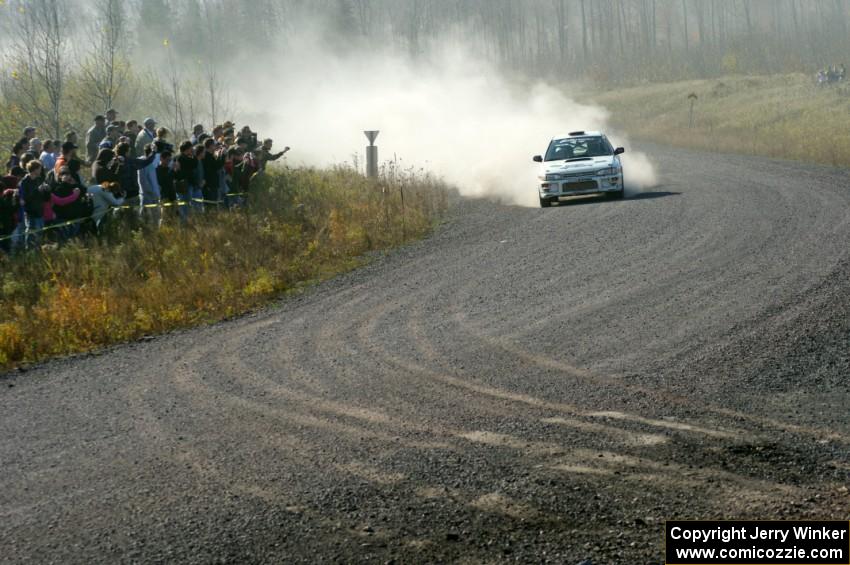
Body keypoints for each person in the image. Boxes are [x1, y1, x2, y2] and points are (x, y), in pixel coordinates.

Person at [19, 160, 51, 249]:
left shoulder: (39, 180)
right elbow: (25, 198)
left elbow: (46, 198)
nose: (41, 171)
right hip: (30, 212)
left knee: (39, 233)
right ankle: (29, 250)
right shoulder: (24, 182)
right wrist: (37, 190)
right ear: (34, 170)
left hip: (40, 211)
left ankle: (37, 250)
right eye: (39, 169)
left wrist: (47, 190)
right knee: (31, 233)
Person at [138, 143, 162, 227]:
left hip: (155, 197)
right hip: (147, 197)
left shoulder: (151, 164)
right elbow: (143, 182)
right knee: (147, 221)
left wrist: (158, 188)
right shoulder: (142, 163)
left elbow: (153, 180)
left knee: (156, 221)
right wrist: (152, 193)